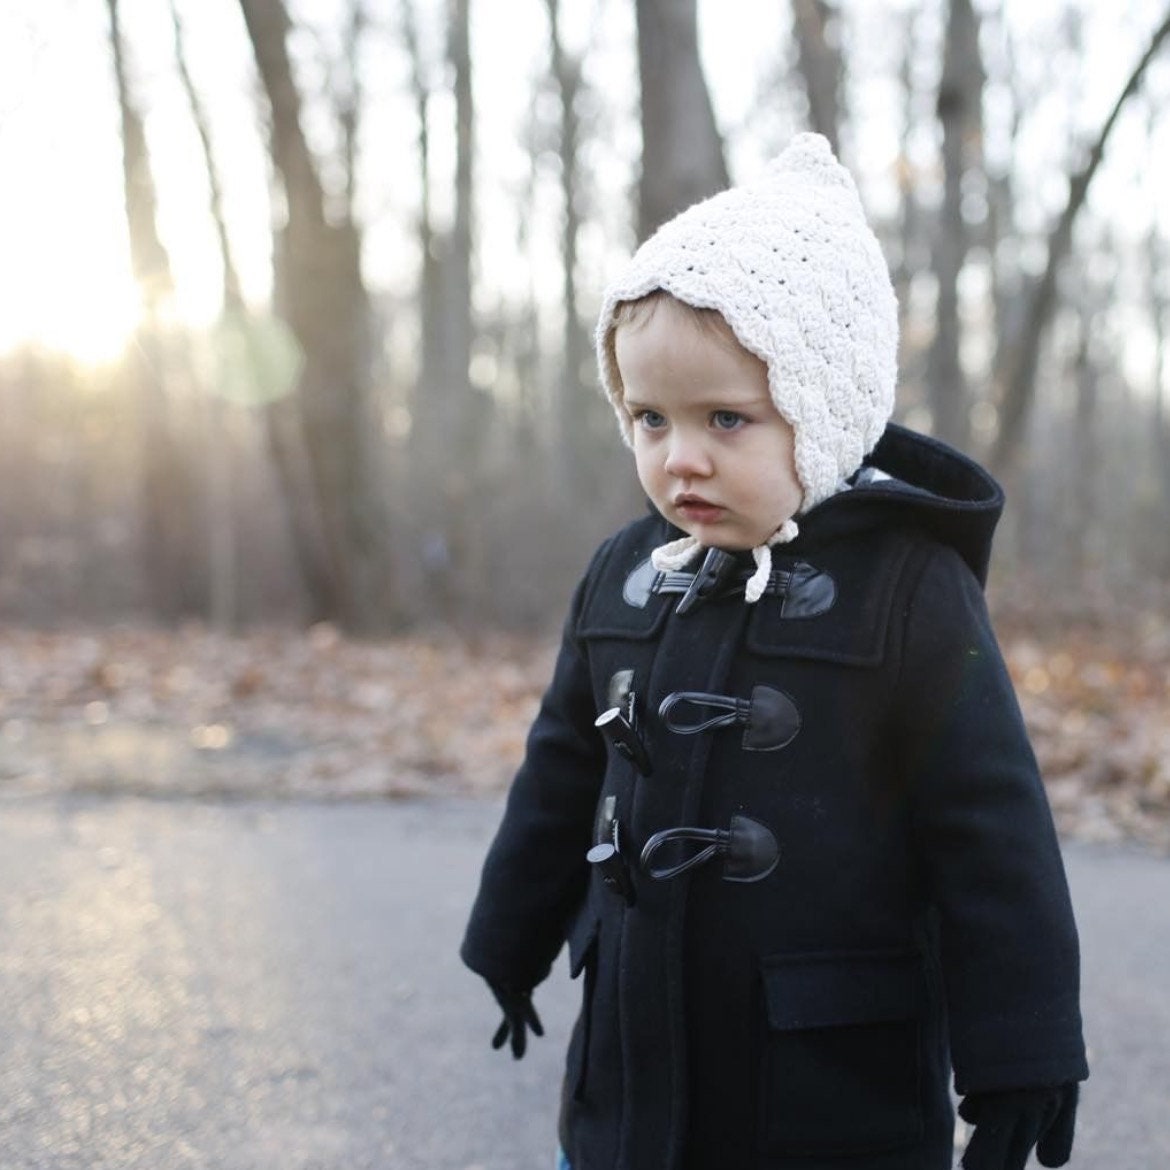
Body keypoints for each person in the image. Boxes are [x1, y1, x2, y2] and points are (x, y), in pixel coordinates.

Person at [460, 133, 1088, 1170]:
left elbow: (992, 833)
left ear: (825, 414)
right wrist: (510, 934)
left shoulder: (907, 590)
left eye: (727, 419)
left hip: (829, 1095)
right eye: (649, 417)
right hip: (627, 1074)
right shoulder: (624, 573)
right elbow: (565, 766)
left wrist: (1022, 1052)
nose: (680, 457)